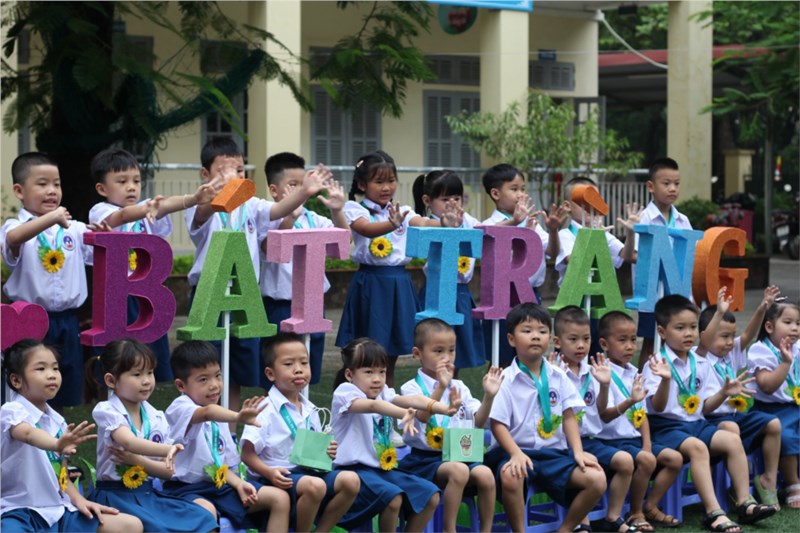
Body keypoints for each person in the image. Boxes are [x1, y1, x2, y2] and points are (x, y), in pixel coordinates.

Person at [185, 136, 331, 410]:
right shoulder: (200, 203)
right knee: (207, 366)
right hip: (211, 293)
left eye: (239, 170)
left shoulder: (252, 205)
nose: (234, 176)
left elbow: (278, 209)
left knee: (236, 368)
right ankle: (205, 426)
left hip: (245, 295)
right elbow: (203, 214)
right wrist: (221, 190)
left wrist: (305, 192)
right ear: (206, 174)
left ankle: (229, 431)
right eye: (224, 170)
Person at [643, 295, 774, 531]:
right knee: (698, 447)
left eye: (693, 327)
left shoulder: (698, 360)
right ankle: (714, 513)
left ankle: (745, 502)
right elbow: (658, 407)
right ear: (662, 331)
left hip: (696, 424)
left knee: (733, 439)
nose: (688, 333)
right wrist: (665, 380)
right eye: (680, 328)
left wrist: (724, 392)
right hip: (665, 427)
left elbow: (705, 408)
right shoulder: (656, 362)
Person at [88, 148, 217, 382]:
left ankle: (150, 383)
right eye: (122, 181)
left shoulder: (146, 210)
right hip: (120, 296)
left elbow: (166, 205)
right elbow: (123, 216)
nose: (131, 187)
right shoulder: (101, 211)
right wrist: (148, 208)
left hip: (146, 292)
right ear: (102, 189)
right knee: (122, 350)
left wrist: (193, 200)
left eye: (136, 181)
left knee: (151, 344)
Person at [335, 150, 458, 387]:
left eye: (390, 181)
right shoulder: (355, 208)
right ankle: (351, 404)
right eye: (378, 181)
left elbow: (421, 222)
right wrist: (390, 225)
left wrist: (442, 222)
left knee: (388, 358)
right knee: (363, 353)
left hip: (399, 283)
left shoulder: (402, 211)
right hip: (371, 283)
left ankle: (386, 414)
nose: (386, 187)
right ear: (362, 184)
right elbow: (364, 229)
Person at [486, 303, 607, 533]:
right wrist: (515, 453)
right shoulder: (505, 378)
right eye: (527, 331)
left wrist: (578, 451)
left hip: (554, 454)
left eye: (542, 332)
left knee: (596, 479)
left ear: (550, 339)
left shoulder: (558, 376)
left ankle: (567, 528)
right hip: (516, 451)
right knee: (511, 475)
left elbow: (569, 416)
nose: (535, 337)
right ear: (511, 339)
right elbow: (497, 424)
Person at [1, 339, 143, 533]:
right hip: (19, 513)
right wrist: (56, 444)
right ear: (16, 380)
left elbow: (63, 476)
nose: (52, 375)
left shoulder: (57, 421)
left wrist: (80, 501)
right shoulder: (11, 410)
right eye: (40, 369)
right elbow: (27, 433)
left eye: (55, 368)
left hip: (59, 511)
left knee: (130, 525)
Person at [87, 339, 218, 532]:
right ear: (111, 380)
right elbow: (128, 441)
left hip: (148, 495)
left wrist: (138, 461)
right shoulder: (107, 410)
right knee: (154, 527)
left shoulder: (157, 417)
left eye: (150, 372)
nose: (147, 380)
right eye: (137, 374)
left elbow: (167, 471)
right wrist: (167, 449)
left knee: (203, 516)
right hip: (114, 496)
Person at [1, 152, 98, 407]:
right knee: (30, 385)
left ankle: (62, 436)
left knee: (68, 379)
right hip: (28, 321)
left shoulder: (73, 228)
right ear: (19, 191)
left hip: (67, 319)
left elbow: (101, 235)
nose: (52, 191)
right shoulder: (14, 226)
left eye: (56, 184)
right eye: (42, 184)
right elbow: (13, 240)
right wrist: (49, 219)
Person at [160, 341, 288, 531]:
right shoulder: (180, 407)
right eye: (203, 379)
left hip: (218, 486)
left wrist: (239, 484)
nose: (214, 385)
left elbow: (220, 466)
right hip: (184, 490)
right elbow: (207, 412)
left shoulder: (219, 415)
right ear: (181, 385)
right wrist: (237, 416)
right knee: (206, 512)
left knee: (280, 499)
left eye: (218, 376)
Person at [331, 337, 456, 532]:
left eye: (382, 372)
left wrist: (444, 408)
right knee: (393, 498)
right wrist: (404, 413)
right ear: (349, 374)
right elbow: (374, 406)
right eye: (369, 372)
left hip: (381, 471)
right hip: (353, 472)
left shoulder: (383, 393)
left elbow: (414, 399)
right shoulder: (345, 393)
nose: (377, 378)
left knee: (431, 495)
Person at [240, 332, 360, 532]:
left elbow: (313, 450)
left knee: (351, 480)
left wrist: (327, 451)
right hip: (277, 475)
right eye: (288, 364)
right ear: (270, 374)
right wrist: (269, 472)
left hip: (308, 472)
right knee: (316, 486)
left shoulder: (311, 409)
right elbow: (247, 453)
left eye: (304, 363)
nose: (298, 370)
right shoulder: (264, 409)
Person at [399, 318, 500, 532]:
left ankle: (486, 530)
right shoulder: (410, 388)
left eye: (451, 351)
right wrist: (440, 387)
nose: (446, 358)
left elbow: (478, 423)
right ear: (417, 354)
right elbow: (423, 417)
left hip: (459, 454)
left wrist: (489, 397)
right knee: (459, 471)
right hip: (424, 460)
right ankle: (449, 529)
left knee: (486, 475)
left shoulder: (460, 387)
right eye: (438, 351)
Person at [260, 152, 349, 385]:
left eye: (304, 184)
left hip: (312, 306)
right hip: (279, 306)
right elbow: (270, 248)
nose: (303, 190)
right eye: (293, 185)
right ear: (274, 190)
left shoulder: (314, 219)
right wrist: (289, 218)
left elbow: (344, 242)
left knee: (308, 369)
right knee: (281, 369)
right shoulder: (265, 216)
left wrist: (337, 211)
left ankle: (305, 417)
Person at [552, 306, 639, 532]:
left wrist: (605, 385)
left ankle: (613, 517)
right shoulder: (551, 372)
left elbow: (601, 411)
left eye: (586, 338)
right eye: (573, 339)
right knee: (586, 466)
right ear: (557, 341)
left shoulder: (593, 371)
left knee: (626, 461)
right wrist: (552, 378)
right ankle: (583, 522)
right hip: (563, 443)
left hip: (591, 439)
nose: (581, 345)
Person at [595, 311, 683, 530]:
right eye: (622, 340)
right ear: (605, 344)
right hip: (610, 441)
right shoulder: (600, 373)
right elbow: (604, 414)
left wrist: (647, 445)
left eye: (633, 340)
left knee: (674, 459)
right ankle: (635, 512)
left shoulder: (634, 372)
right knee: (646, 460)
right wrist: (645, 452)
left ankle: (650, 505)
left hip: (633, 441)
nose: (630, 346)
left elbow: (641, 414)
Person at [697, 286, 782, 510]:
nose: (729, 342)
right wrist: (724, 393)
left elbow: (749, 335)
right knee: (730, 429)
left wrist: (763, 307)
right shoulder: (701, 358)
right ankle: (739, 492)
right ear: (707, 335)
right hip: (712, 420)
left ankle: (768, 481)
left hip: (736, 416)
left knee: (773, 424)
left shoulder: (731, 352)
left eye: (731, 336)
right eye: (723, 336)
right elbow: (705, 410)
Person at [479, 163, 566, 367]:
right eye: (514, 189)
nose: (520, 194)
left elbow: (551, 252)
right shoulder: (489, 223)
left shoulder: (532, 222)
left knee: (530, 353)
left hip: (528, 294)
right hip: (501, 297)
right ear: (495, 193)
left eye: (523, 189)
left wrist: (553, 231)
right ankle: (496, 396)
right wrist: (516, 224)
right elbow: (484, 235)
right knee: (499, 355)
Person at [555, 176, 640, 357]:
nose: (590, 206)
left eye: (595, 200)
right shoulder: (565, 235)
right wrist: (595, 240)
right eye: (583, 201)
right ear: (568, 206)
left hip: (600, 305)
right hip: (573, 306)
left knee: (597, 356)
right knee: (570, 356)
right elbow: (574, 261)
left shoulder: (602, 233)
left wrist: (631, 234)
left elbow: (627, 255)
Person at [412, 170, 485, 371]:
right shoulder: (426, 221)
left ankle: (454, 393)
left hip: (460, 292)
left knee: (456, 352)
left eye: (456, 198)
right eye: (445, 199)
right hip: (436, 293)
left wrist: (513, 222)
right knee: (435, 348)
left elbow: (488, 229)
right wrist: (446, 226)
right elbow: (417, 224)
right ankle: (433, 395)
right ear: (427, 200)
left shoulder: (467, 219)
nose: (452, 203)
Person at [633, 158, 693, 368]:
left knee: (678, 342)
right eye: (666, 183)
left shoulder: (683, 220)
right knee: (651, 342)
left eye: (676, 184)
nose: (672, 188)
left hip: (676, 291)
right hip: (652, 292)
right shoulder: (644, 218)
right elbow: (635, 254)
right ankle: (642, 387)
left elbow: (687, 256)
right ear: (651, 186)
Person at [748, 297, 800, 508]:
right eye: (788, 322)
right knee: (786, 437)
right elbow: (767, 386)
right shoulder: (760, 350)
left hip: (795, 407)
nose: (795, 328)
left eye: (798, 323)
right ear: (769, 326)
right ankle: (792, 483)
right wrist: (786, 363)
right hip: (771, 411)